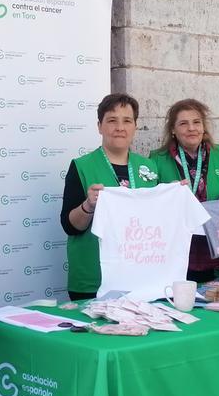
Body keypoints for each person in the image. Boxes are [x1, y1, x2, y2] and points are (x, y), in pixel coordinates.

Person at [60, 93, 160, 300]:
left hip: (140, 277)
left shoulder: (149, 167)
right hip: (94, 280)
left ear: (135, 126)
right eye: (112, 120)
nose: (120, 127)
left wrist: (175, 195)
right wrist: (88, 206)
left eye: (127, 121)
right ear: (99, 126)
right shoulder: (82, 166)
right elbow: (69, 226)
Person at [148, 98, 219, 283]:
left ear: (203, 127)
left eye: (196, 122)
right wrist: (168, 193)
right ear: (173, 131)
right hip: (177, 256)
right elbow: (151, 207)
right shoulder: (156, 160)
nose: (191, 128)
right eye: (183, 124)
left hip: (218, 253)